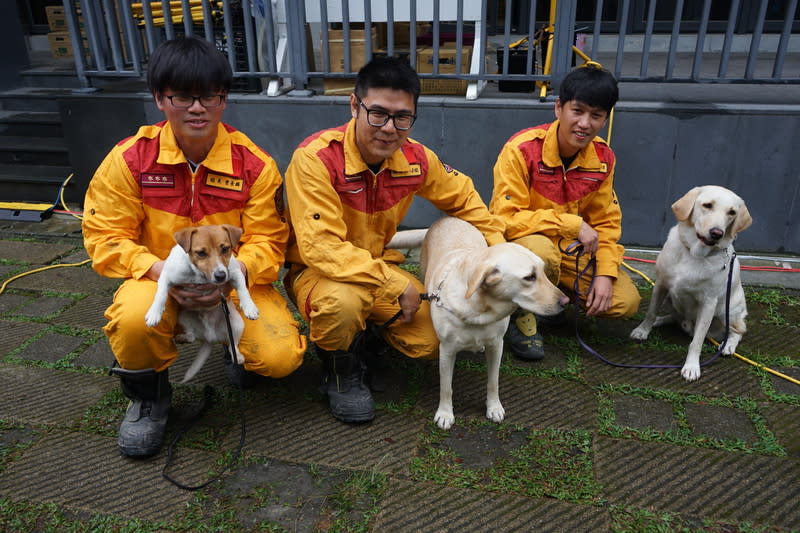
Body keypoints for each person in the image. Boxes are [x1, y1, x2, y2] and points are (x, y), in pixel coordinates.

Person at [82, 36, 307, 458]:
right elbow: (105, 237)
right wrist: (154, 271)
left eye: (209, 96)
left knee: (279, 355)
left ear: (224, 100)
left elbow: (269, 242)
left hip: (229, 279)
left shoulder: (254, 165)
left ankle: (233, 350)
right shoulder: (130, 160)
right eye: (183, 96)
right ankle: (149, 396)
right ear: (159, 99)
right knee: (134, 320)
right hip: (158, 279)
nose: (197, 107)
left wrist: (225, 280)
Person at [283, 56, 505, 423]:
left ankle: (369, 336)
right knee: (342, 302)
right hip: (318, 272)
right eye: (378, 114)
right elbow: (320, 248)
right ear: (354, 105)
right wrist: (392, 284)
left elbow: (464, 197)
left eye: (402, 117)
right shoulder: (316, 159)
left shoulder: (417, 158)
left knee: (434, 341)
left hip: (379, 264)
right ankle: (339, 374)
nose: (389, 128)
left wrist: (496, 251)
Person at [489, 64, 641, 361]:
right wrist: (571, 224)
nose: (585, 123)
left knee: (626, 302)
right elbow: (505, 218)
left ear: (605, 119)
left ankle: (550, 301)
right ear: (559, 108)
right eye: (578, 111)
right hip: (526, 248)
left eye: (596, 115)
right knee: (541, 251)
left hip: (570, 253)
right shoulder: (521, 149)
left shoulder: (603, 159)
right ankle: (522, 316)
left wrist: (606, 274)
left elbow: (607, 224)